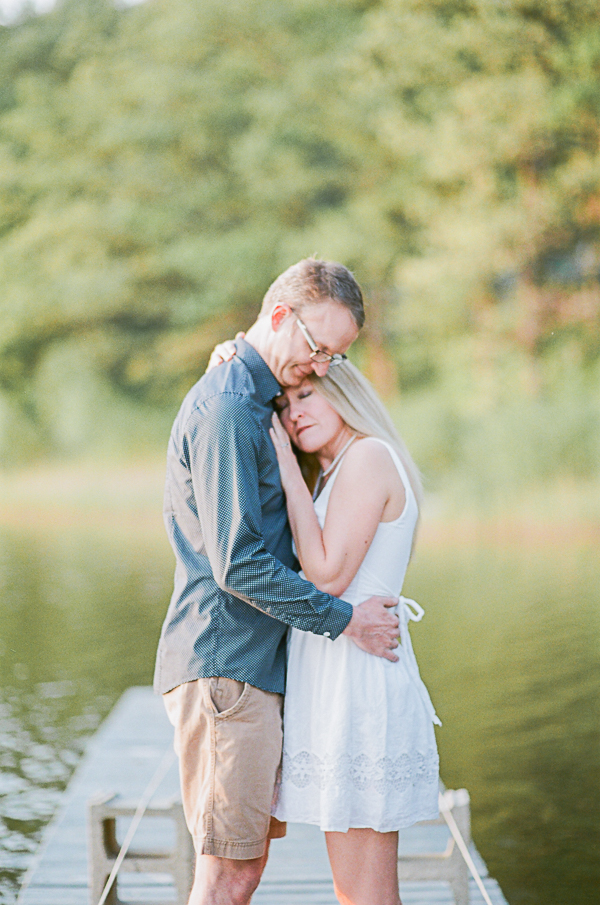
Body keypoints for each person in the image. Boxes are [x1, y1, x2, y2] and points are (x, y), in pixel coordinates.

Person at [154, 259, 401, 905]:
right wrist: (346, 619)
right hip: (226, 666)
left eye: (335, 359)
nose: (321, 366)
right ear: (280, 316)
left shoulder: (248, 393)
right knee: (228, 873)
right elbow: (237, 564)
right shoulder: (233, 405)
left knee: (243, 865)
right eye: (318, 348)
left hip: (249, 669)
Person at [268, 362, 441, 905]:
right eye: (284, 406)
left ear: (342, 392)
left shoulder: (366, 456)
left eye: (307, 395)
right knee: (357, 888)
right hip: (337, 674)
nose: (295, 414)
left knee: (363, 891)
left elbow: (327, 574)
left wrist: (287, 471)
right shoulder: (338, 467)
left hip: (358, 679)